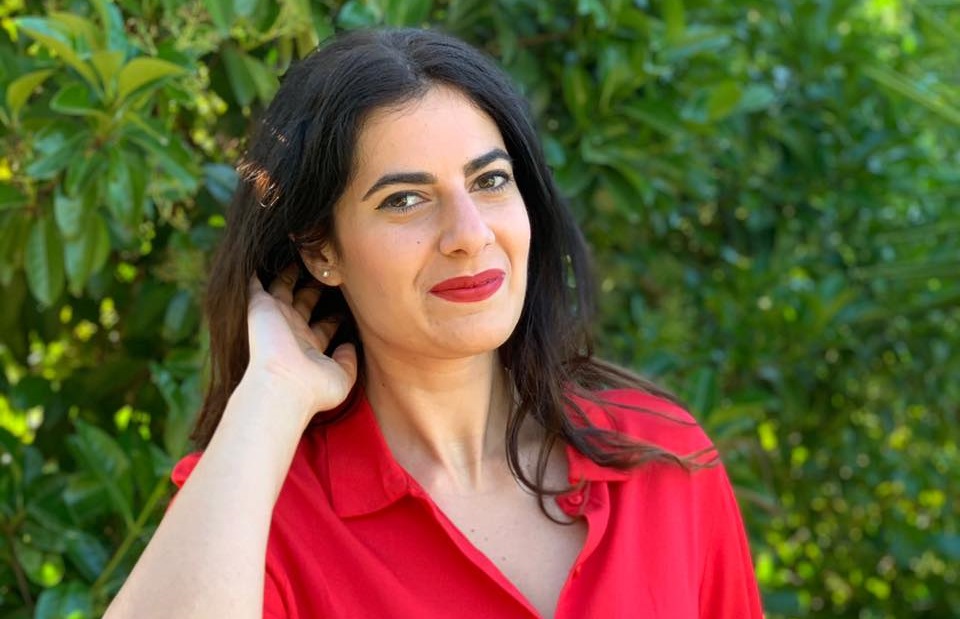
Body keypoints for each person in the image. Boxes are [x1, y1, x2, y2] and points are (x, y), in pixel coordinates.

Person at [105, 27, 762, 619]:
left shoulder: (663, 457)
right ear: (322, 250)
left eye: (490, 181)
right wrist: (270, 389)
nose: (469, 234)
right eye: (405, 199)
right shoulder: (253, 509)